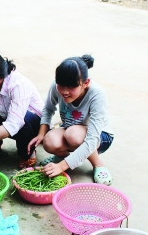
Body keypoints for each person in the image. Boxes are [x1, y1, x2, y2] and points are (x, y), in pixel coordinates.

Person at [28, 55, 114, 185]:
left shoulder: (97, 94)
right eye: (61, 85)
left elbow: (91, 140)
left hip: (100, 137)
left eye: (71, 87)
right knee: (49, 141)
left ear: (86, 83)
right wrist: (41, 133)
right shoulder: (55, 86)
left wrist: (61, 167)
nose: (64, 91)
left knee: (73, 134)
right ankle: (67, 158)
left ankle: (98, 164)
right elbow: (48, 109)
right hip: (70, 130)